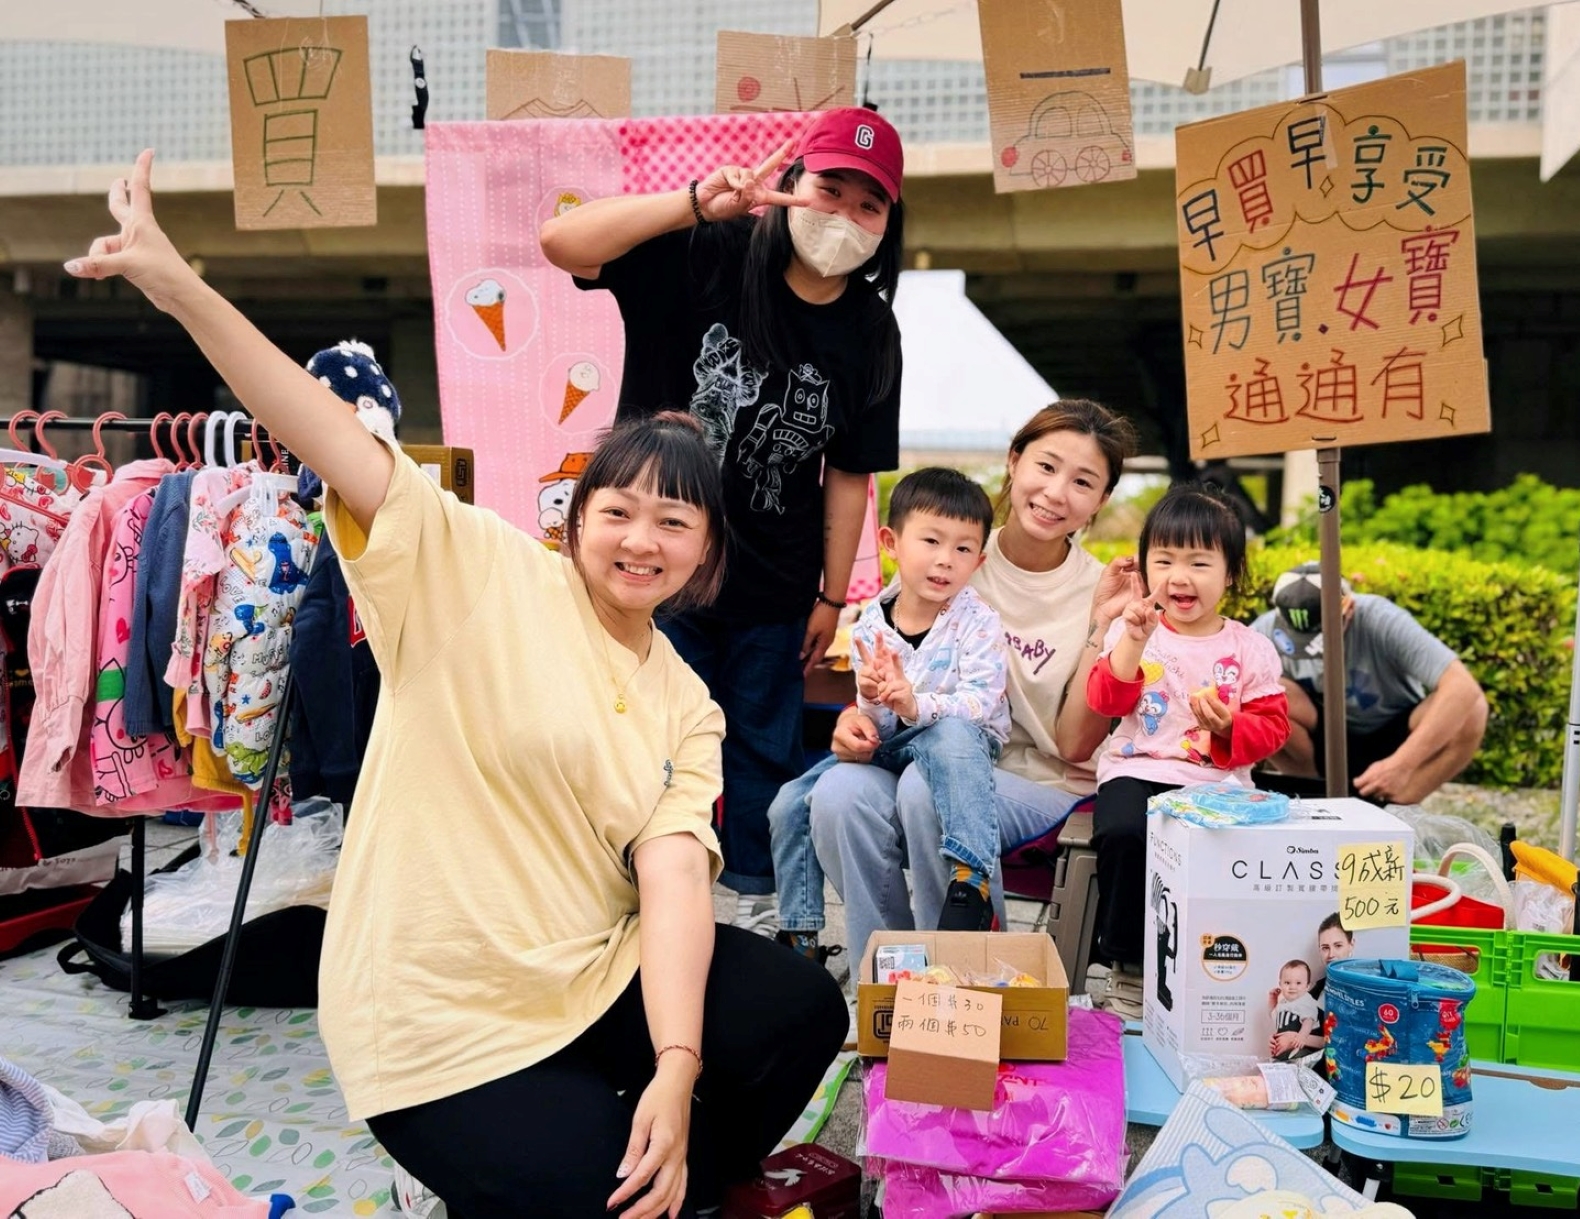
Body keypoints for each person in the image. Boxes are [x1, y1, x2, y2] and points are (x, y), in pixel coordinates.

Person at [71, 150, 847, 1219]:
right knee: (593, 1191)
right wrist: (175, 282)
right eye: (617, 509)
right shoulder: (475, 572)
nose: (640, 538)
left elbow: (673, 882)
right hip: (433, 1014)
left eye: (675, 520)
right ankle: (552, 1168)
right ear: (578, 521)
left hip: (585, 979)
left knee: (798, 1011)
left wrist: (674, 1066)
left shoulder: (683, 694)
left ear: (705, 551)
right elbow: (323, 429)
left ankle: (657, 1165)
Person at [540, 107, 906, 920]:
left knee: (760, 756)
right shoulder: (707, 254)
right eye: (828, 188)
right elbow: (562, 242)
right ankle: (623, 913)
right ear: (788, 185)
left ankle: (755, 910)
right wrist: (691, 203)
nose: (842, 215)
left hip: (773, 588)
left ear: (888, 223)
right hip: (651, 572)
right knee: (641, 750)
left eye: (867, 204)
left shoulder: (872, 332)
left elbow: (848, 474)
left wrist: (829, 593)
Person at [804, 400, 1143, 1005]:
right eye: (1046, 466)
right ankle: (885, 987)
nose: (1056, 492)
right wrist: (857, 718)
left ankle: (971, 988)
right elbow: (883, 670)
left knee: (926, 791)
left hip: (1041, 781)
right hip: (923, 751)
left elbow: (1071, 745)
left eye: (1083, 481)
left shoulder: (1105, 591)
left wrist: (1099, 628)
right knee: (836, 794)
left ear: (1102, 500)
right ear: (1014, 463)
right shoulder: (945, 548)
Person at [768, 468, 1009, 960]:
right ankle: (802, 933)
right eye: (931, 541)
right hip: (897, 746)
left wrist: (917, 705)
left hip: (958, 745)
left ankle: (970, 877)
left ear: (979, 560)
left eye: (963, 549)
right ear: (891, 542)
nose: (945, 560)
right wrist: (868, 714)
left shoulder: (978, 621)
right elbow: (876, 715)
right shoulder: (871, 624)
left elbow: (980, 703)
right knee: (790, 800)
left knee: (953, 733)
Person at [1085, 484, 1290, 1014]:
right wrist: (1129, 639)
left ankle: (1215, 971)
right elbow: (1107, 699)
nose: (1180, 576)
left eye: (1199, 562)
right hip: (1138, 768)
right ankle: (1127, 964)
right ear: (1146, 569)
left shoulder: (1249, 648)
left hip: (1217, 784)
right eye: (1165, 560)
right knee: (1125, 833)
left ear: (1231, 573)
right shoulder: (1137, 632)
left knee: (1223, 858)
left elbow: (1273, 728)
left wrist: (1229, 727)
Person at [1253, 562, 1489, 806]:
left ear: (1349, 609)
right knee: (1259, 694)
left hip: (1395, 732)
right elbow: (1228, 695)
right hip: (1322, 738)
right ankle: (1313, 792)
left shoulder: (1382, 618)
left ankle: (1399, 804)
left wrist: (1402, 764)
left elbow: (1462, 687)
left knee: (1473, 708)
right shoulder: (1266, 629)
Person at [1271, 912, 1355, 1058]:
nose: (1331, 954)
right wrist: (1278, 1041)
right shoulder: (1313, 991)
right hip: (1310, 1068)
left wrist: (1295, 1039)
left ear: (1351, 944)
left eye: (1338, 946)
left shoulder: (1362, 990)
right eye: (1325, 947)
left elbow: (1351, 1042)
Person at [1268, 960, 1321, 1062]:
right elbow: (1273, 1014)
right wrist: (1272, 999)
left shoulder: (1305, 1001)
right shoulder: (1283, 1003)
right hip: (1283, 1050)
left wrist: (1302, 1036)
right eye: (1287, 983)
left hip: (1300, 1049)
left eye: (1298, 983)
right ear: (1280, 984)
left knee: (1299, 1060)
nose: (1292, 987)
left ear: (1307, 986)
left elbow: (1308, 1021)